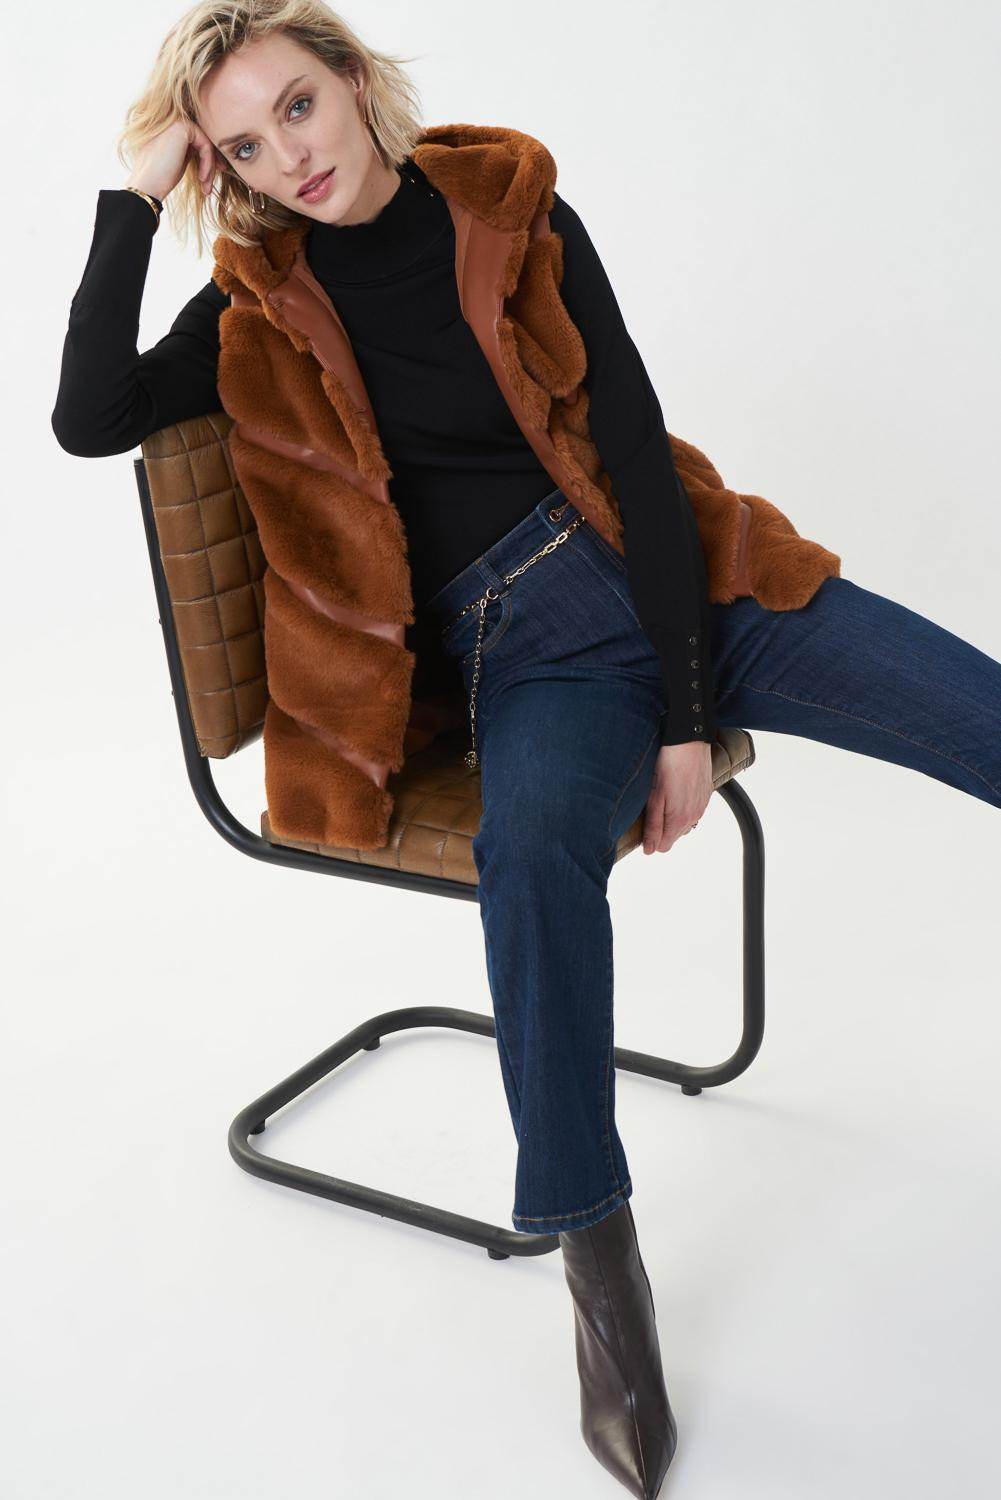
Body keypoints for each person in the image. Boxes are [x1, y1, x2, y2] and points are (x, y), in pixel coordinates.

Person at [50, 5, 1001, 1497]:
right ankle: (598, 1270)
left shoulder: (507, 206)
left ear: (351, 80)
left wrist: (684, 717)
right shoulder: (253, 308)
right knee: (534, 852)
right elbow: (87, 416)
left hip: (683, 575)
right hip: (531, 654)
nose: (288, 156)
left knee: (980, 711)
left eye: (297, 106)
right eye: (242, 145)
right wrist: (135, 198)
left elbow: (635, 441)